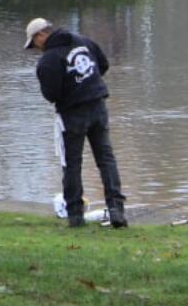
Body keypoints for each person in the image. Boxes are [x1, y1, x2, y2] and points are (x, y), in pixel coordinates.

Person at [24, 18, 127, 228]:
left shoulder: (48, 60)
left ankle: (75, 216)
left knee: (72, 164)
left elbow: (51, 94)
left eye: (34, 44)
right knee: (106, 160)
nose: (36, 49)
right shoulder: (83, 41)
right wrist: (88, 85)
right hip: (98, 106)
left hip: (72, 114)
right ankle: (116, 211)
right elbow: (103, 64)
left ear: (40, 36)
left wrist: (73, 92)